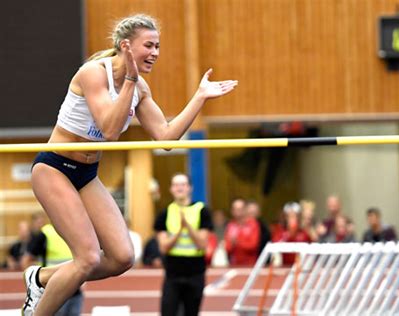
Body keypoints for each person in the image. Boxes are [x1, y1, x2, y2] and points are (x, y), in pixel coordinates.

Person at [22, 14, 237, 315]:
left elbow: (166, 138)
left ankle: (41, 277)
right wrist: (131, 81)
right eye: (148, 45)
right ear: (126, 45)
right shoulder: (93, 74)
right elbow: (110, 130)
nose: (155, 53)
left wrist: (199, 97)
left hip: (86, 174)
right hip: (54, 168)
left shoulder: (140, 89)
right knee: (87, 258)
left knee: (122, 257)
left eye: (158, 46)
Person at [154, 173, 213, 316]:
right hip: (173, 273)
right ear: (171, 189)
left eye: (183, 184)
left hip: (195, 272)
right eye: (175, 184)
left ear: (190, 188)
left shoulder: (202, 210)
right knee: (168, 311)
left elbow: (202, 244)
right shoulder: (165, 213)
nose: (179, 188)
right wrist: (180, 230)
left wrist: (188, 226)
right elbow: (163, 247)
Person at [21, 222, 84, 316]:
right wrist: (34, 284)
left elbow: (84, 260)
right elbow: (26, 260)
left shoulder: (78, 232)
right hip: (54, 289)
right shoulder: (45, 234)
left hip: (75, 290)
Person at [224, 198, 261, 266]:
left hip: (251, 265)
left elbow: (253, 245)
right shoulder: (230, 225)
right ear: (232, 211)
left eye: (240, 208)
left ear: (245, 209)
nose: (237, 211)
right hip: (234, 265)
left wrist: (237, 242)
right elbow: (227, 247)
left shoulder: (253, 224)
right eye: (235, 209)